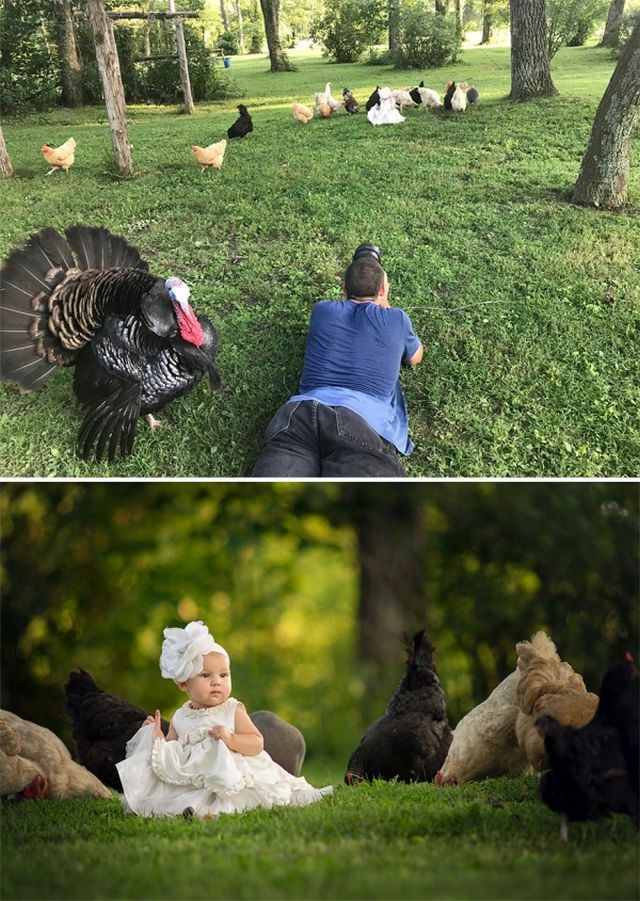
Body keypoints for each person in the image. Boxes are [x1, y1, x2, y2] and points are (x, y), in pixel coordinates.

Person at [116, 621, 332, 819]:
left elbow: (257, 743)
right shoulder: (181, 716)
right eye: (206, 675)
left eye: (223, 675)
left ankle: (218, 811)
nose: (216, 682)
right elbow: (174, 751)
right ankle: (198, 811)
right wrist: (158, 738)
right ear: (183, 683)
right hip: (198, 777)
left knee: (230, 792)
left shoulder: (231, 710)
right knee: (189, 794)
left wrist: (230, 738)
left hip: (232, 773)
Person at [252, 245, 423, 477]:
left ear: (343, 287)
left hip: (299, 414)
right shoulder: (397, 319)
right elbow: (415, 358)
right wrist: (384, 300)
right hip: (361, 421)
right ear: (383, 290)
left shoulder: (322, 310)